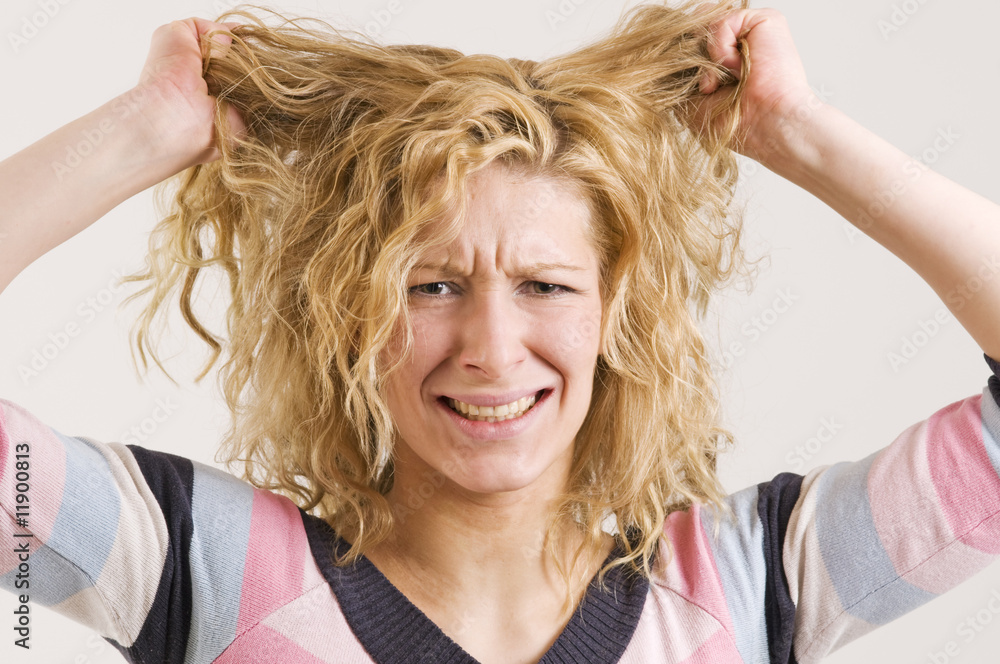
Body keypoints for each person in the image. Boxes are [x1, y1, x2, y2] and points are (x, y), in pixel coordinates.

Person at [2, 1, 1000, 663]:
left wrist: (795, 129)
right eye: (431, 285)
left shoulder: (749, 588)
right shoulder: (197, 566)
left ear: (614, 311)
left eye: (544, 285)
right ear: (353, 314)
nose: (489, 345)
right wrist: (146, 128)